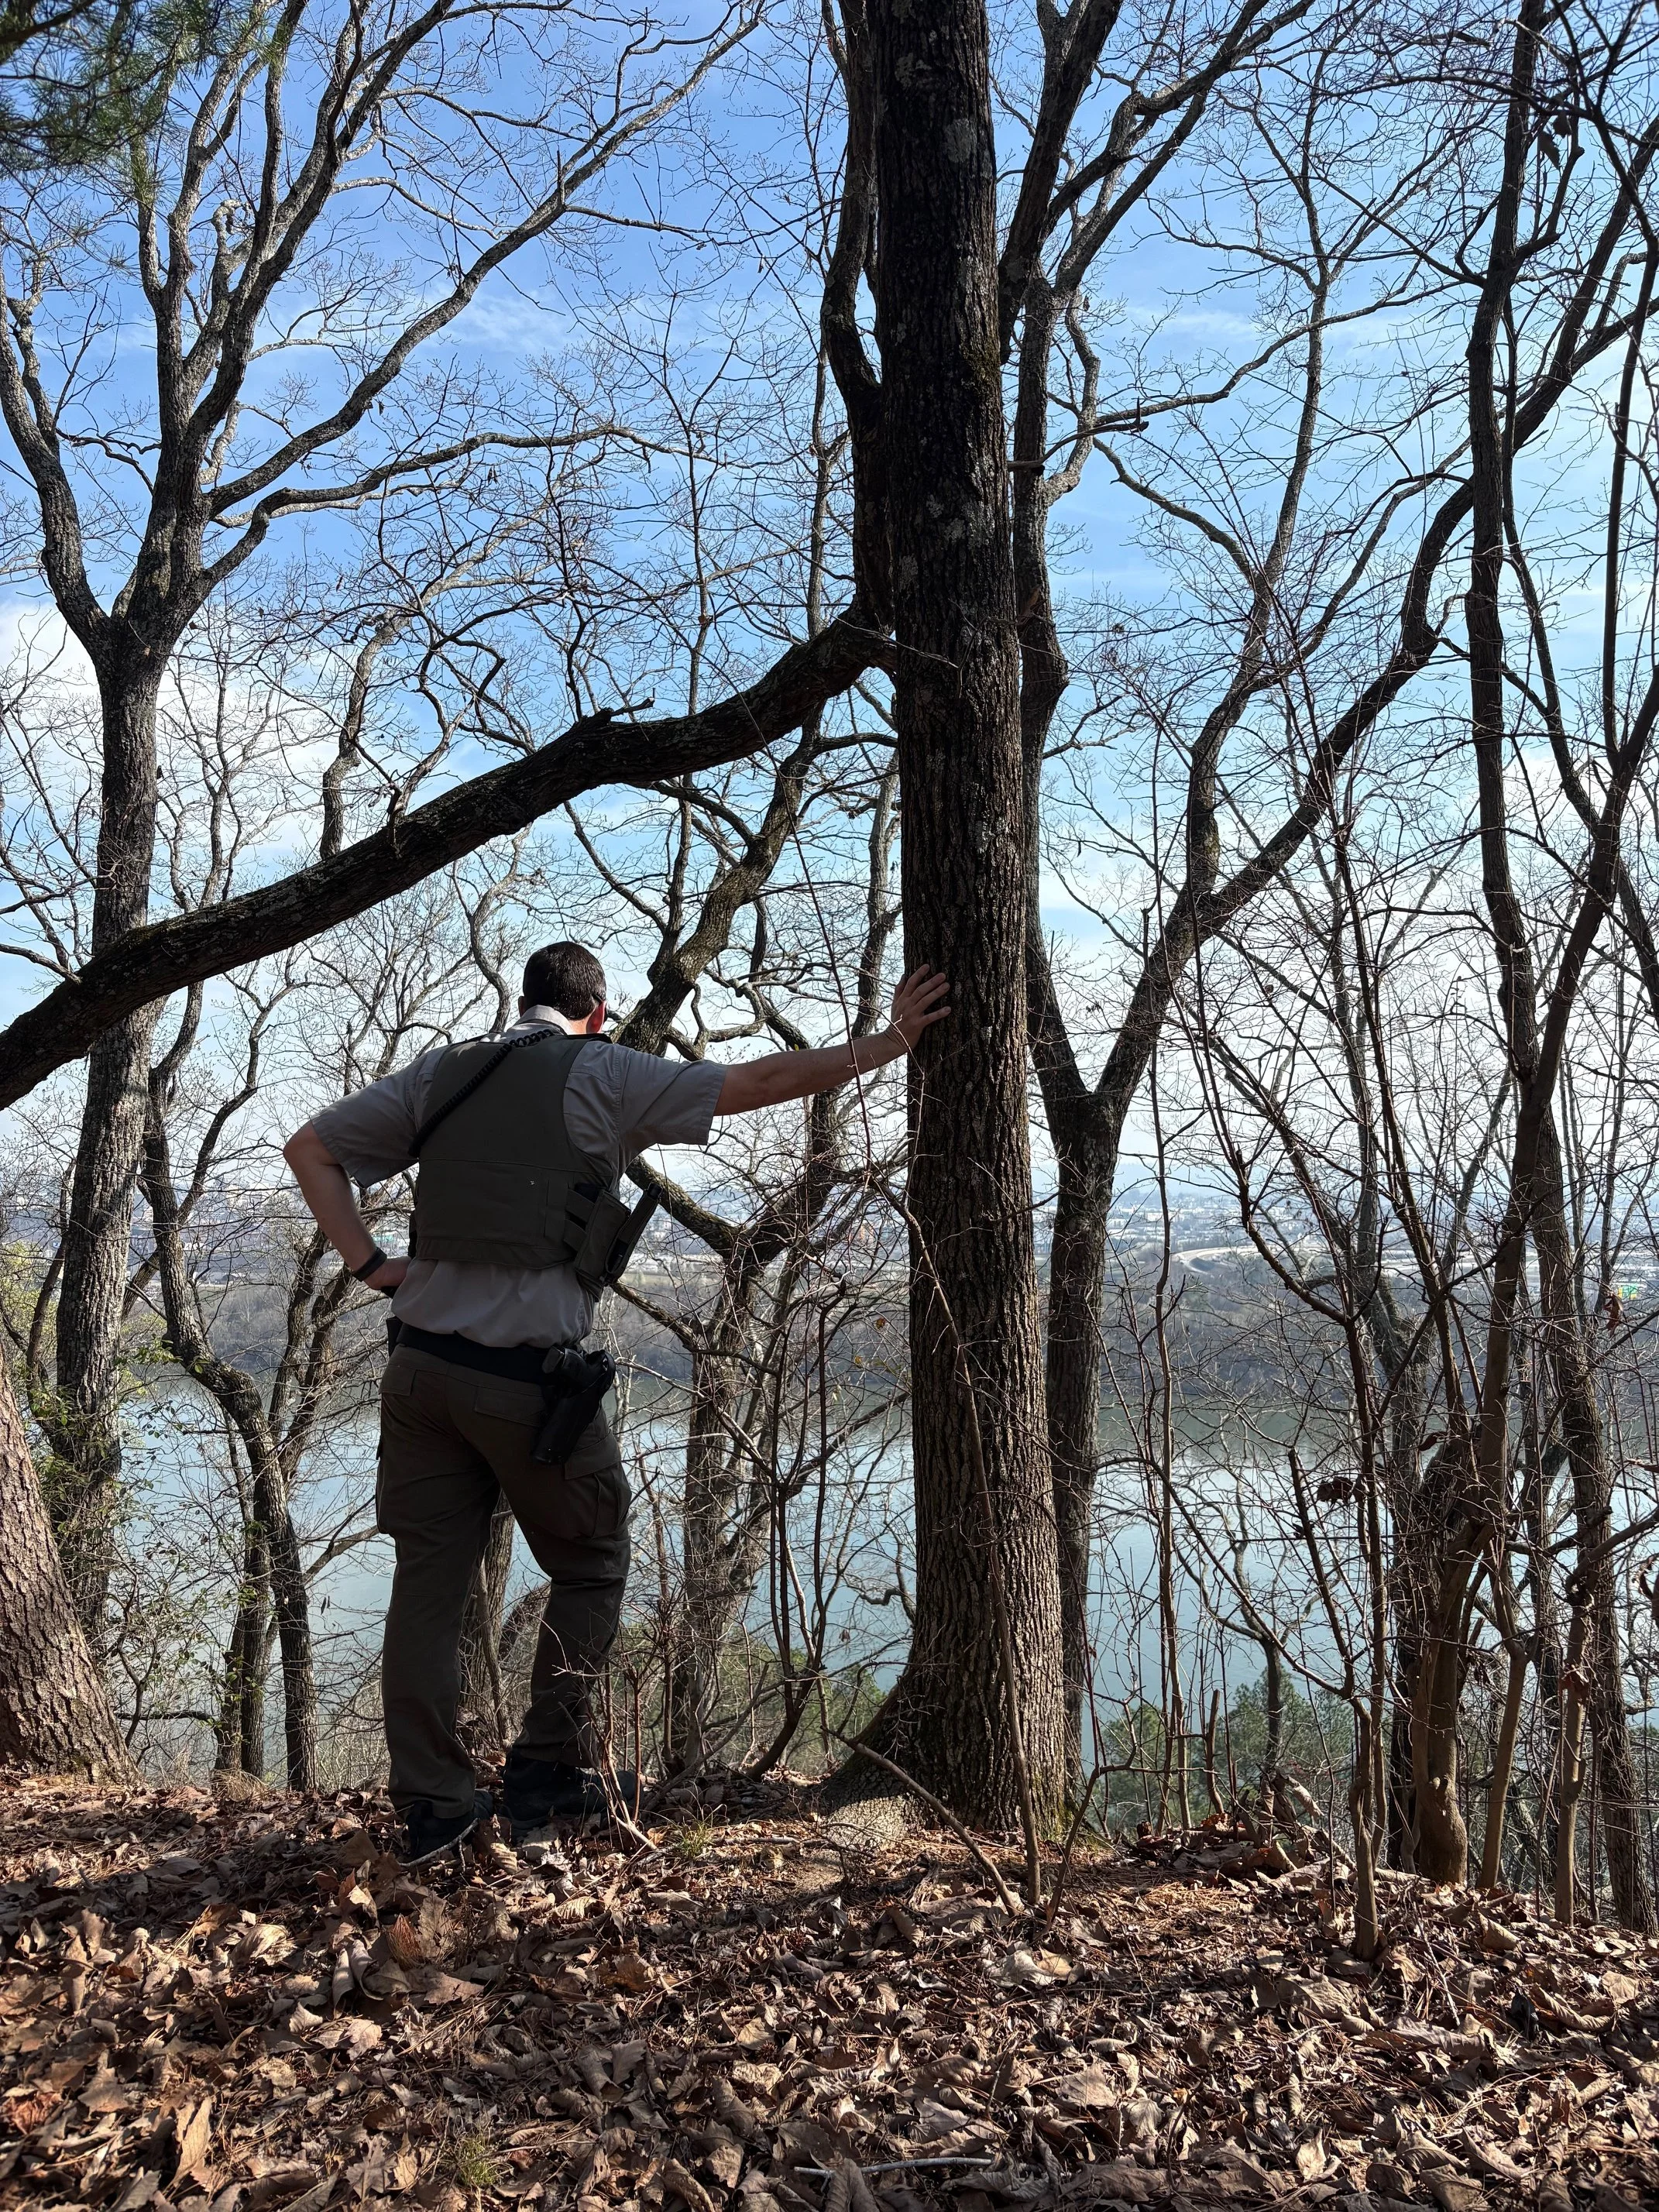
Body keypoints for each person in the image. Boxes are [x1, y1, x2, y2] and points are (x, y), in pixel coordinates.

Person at [283, 940, 949, 1863]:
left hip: (420, 1374)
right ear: (596, 1013)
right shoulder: (599, 1072)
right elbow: (751, 1082)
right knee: (593, 1562)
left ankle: (435, 1809)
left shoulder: (442, 1075)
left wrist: (369, 1264)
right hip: (526, 1385)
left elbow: (310, 1150)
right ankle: (543, 1776)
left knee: (427, 1587)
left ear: (525, 1002)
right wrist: (884, 1046)